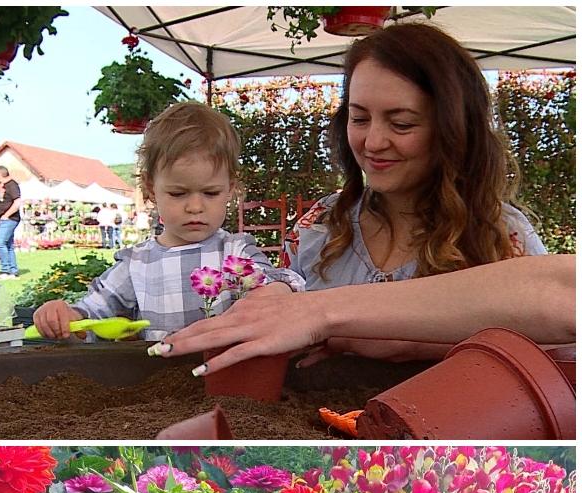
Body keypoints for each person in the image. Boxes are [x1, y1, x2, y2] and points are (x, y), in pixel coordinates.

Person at [157, 23, 574, 370]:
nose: (373, 141)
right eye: (359, 118)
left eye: (402, 123)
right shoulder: (319, 225)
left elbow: (559, 353)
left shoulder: (502, 234)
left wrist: (417, 341)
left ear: (452, 130)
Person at [34, 102, 303, 343]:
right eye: (178, 193)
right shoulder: (137, 264)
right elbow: (92, 314)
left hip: (228, 385)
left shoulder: (235, 253)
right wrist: (64, 317)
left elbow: (277, 285)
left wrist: (275, 292)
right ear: (151, 189)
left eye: (211, 193)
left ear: (230, 188)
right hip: (159, 389)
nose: (195, 207)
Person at [0, 165, 22, 280]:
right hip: (5, 219)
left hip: (9, 219)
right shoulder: (4, 186)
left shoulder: (12, 185)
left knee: (0, 243)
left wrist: (6, 215)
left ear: (0, 174)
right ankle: (13, 271)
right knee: (8, 245)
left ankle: (5, 270)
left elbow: (17, 203)